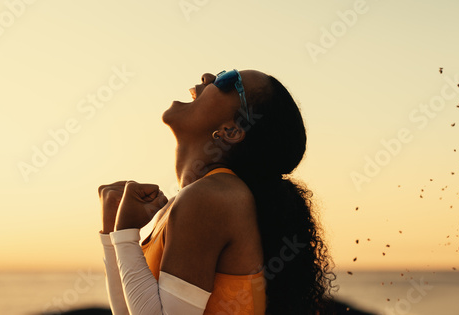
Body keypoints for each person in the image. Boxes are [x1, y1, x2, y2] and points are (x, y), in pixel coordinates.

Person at [98, 69, 335, 315]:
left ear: (231, 131)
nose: (208, 76)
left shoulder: (213, 197)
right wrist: (113, 232)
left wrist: (125, 234)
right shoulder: (196, 199)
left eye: (228, 80)